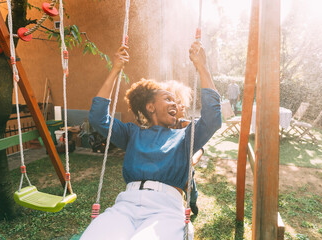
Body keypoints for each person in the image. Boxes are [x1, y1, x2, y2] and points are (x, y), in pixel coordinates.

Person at [80, 41, 221, 240]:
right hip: (125, 206)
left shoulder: (185, 136)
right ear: (151, 107)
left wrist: (202, 67)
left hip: (165, 210)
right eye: (168, 99)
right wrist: (115, 70)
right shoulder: (131, 134)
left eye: (175, 100)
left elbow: (213, 117)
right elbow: (97, 118)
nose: (175, 103)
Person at [161, 80, 202, 216]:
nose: (183, 105)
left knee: (192, 192)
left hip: (187, 170)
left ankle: (192, 203)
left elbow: (200, 147)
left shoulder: (185, 125)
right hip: (170, 174)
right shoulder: (160, 129)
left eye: (182, 101)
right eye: (178, 102)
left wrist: (194, 159)